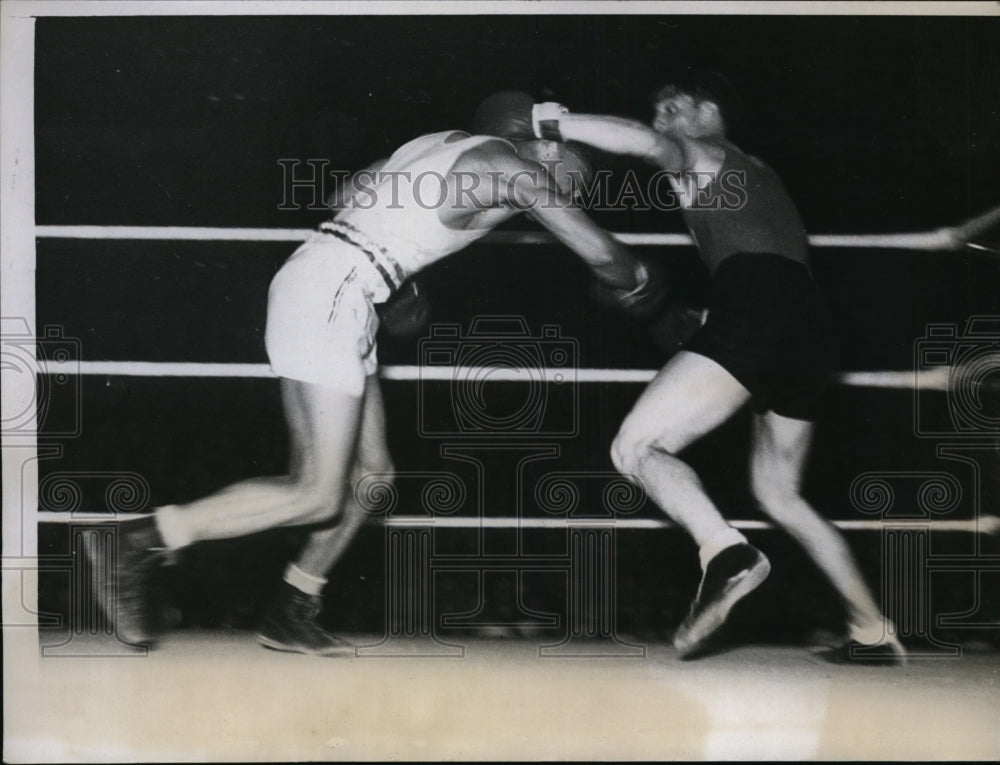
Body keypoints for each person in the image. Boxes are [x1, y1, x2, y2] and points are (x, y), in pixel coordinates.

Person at [88, 91, 659, 655]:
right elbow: (603, 255)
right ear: (549, 147)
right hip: (336, 292)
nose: (572, 193)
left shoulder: (438, 143)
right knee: (317, 495)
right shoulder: (512, 169)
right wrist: (644, 284)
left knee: (371, 479)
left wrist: (395, 275)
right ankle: (140, 540)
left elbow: (344, 195)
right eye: (577, 179)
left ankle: (292, 606)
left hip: (329, 280)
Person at [527, 73, 907, 663]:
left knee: (636, 447)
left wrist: (552, 123)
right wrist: (704, 317)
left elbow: (646, 145)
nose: (661, 121)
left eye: (673, 107)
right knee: (779, 494)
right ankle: (873, 632)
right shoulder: (760, 171)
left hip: (759, 307)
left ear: (710, 111)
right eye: (657, 111)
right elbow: (763, 257)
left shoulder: (705, 154)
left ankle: (725, 552)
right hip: (810, 324)